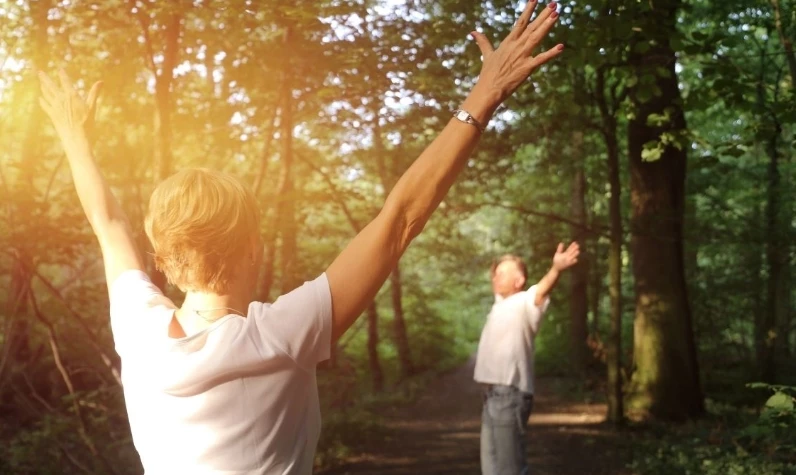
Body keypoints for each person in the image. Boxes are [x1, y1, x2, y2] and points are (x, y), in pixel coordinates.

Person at [37, 1, 563, 473]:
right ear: (253, 247)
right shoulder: (282, 336)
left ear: (167, 259)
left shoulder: (138, 330)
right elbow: (399, 218)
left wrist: (71, 134)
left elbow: (108, 224)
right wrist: (484, 94)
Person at [474, 243, 580, 475]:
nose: (495, 277)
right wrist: (498, 266)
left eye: (503, 273)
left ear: (519, 280)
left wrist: (556, 269)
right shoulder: (499, 305)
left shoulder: (525, 303)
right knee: (491, 469)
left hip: (509, 395)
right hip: (490, 396)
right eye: (495, 273)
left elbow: (541, 290)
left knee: (510, 469)